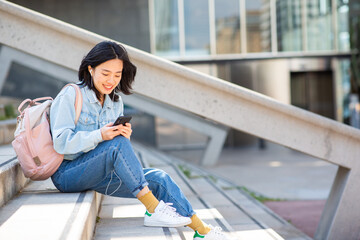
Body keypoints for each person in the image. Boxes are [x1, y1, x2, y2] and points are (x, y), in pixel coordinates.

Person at [50, 41, 231, 240]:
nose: (111, 80)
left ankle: (202, 230)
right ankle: (153, 208)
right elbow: (60, 142)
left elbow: (109, 147)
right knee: (116, 145)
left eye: (117, 75)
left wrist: (120, 135)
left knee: (159, 178)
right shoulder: (71, 94)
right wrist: (102, 135)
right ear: (90, 69)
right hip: (67, 174)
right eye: (105, 73)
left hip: (97, 172)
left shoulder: (115, 103)